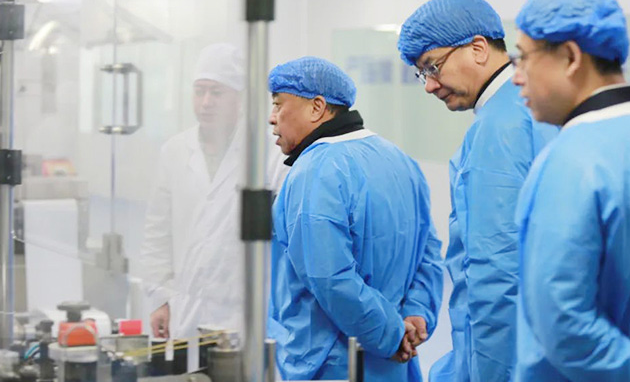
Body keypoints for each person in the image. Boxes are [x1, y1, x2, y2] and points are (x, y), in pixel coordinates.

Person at [511, 0, 630, 381]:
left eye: (523, 57)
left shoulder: (568, 162)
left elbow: (564, 327)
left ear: (570, 57)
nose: (516, 77)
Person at [397, 0, 557, 382]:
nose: (429, 86)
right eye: (421, 74)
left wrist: (489, 372)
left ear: (479, 49)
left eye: (432, 66)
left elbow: (496, 272)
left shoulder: (498, 130)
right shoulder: (531, 110)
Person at [266, 56, 443, 381]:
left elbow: (330, 278)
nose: (272, 117)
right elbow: (428, 252)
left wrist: (390, 335)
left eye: (278, 104)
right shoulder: (399, 160)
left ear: (317, 108)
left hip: (336, 364)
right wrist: (416, 314)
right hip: (395, 366)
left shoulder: (314, 171)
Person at [141, 43, 286, 344]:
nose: (206, 102)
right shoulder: (175, 151)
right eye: (199, 91)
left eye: (216, 92)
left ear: (240, 98)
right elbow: (157, 231)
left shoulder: (268, 152)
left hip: (247, 311)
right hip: (186, 307)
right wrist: (159, 297)